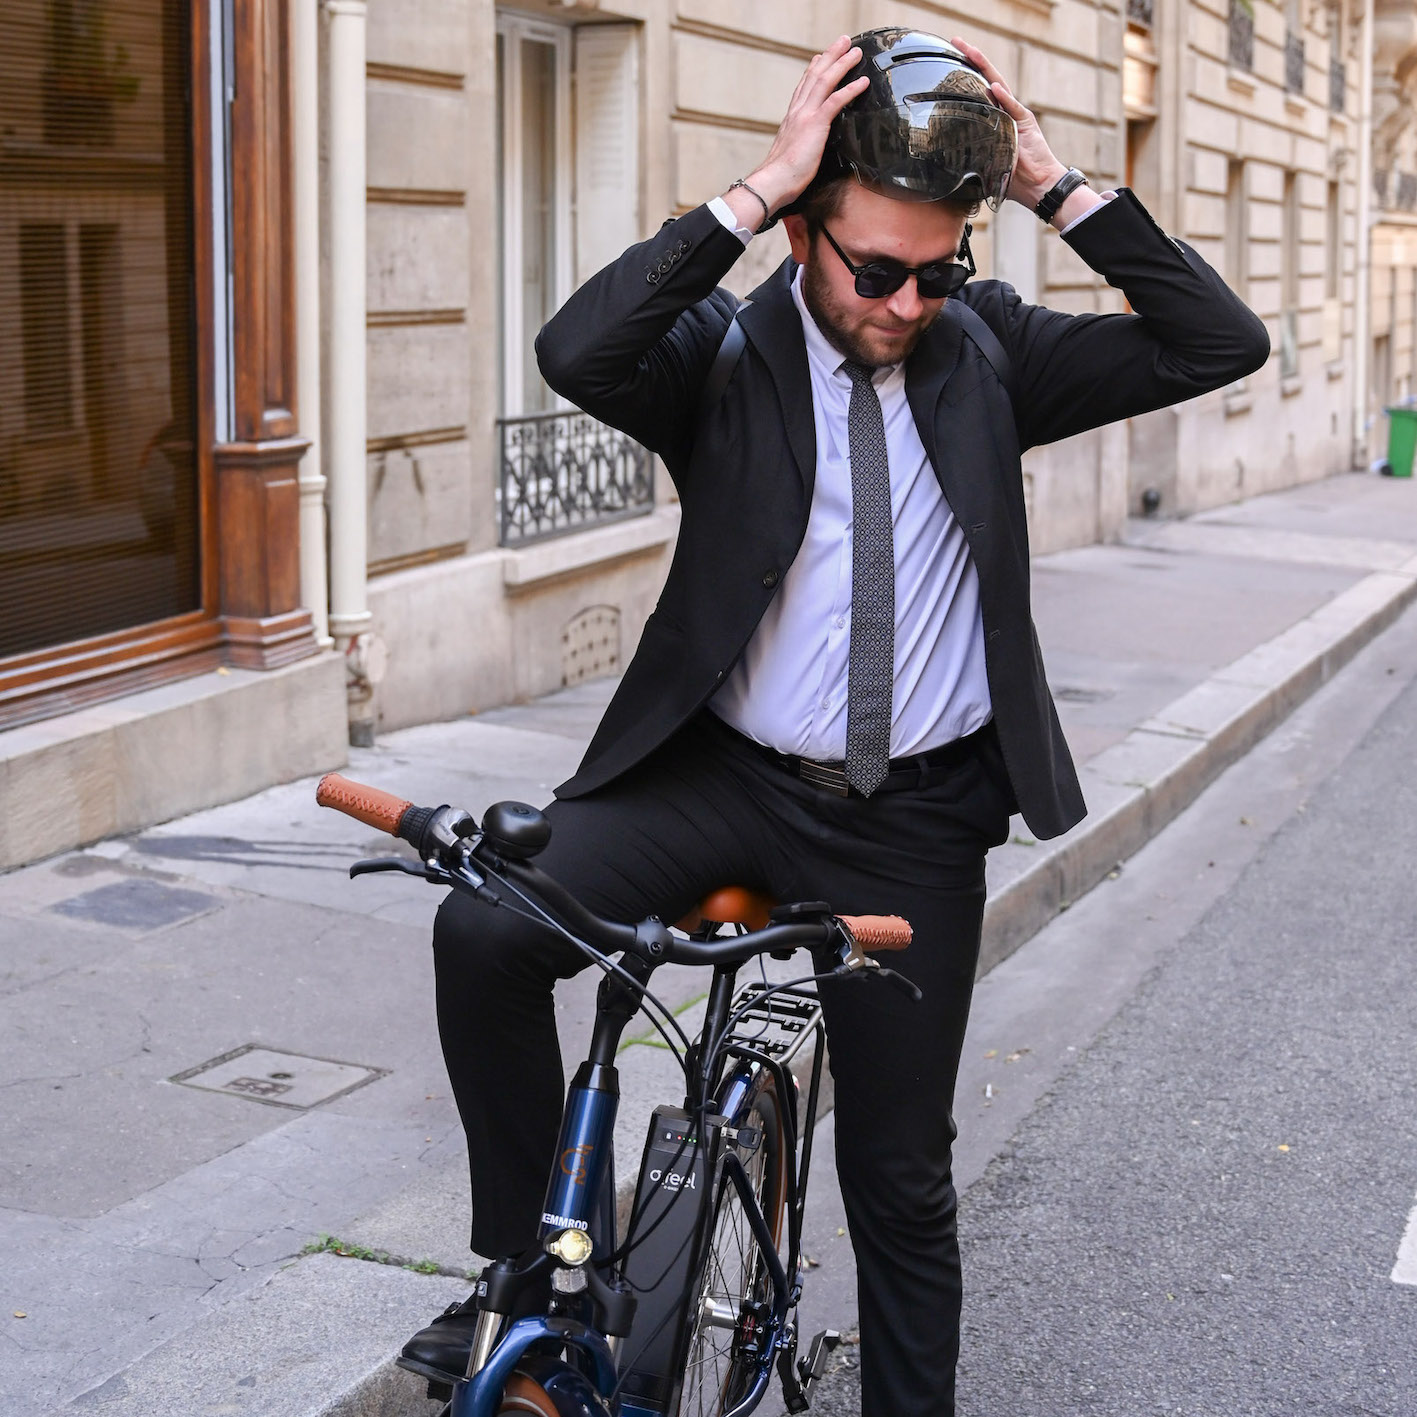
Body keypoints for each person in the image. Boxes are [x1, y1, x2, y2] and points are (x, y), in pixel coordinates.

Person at [404, 28, 1269, 1415]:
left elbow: (1217, 339)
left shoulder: (992, 355)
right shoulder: (719, 355)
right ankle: (528, 1267)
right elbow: (576, 346)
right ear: (809, 235)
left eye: (939, 270)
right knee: (488, 931)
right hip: (724, 777)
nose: (908, 300)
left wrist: (1053, 185)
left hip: (915, 820)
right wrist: (752, 187)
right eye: (876, 268)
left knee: (898, 1177)